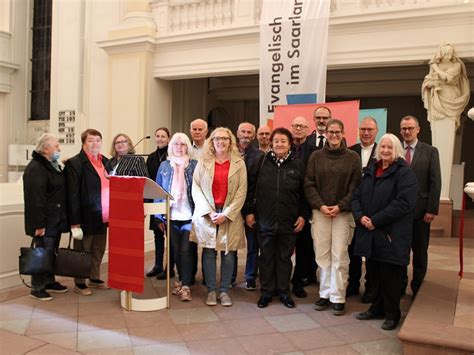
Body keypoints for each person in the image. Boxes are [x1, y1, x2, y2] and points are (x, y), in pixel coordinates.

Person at [353, 133, 418, 330]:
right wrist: (360, 216)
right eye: (383, 147)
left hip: (392, 234)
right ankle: (376, 309)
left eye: (390, 147)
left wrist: (376, 220)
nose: (386, 151)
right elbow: (356, 196)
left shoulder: (404, 173)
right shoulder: (371, 170)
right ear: (378, 150)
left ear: (397, 150)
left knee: (391, 277)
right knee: (375, 274)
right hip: (370, 233)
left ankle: (392, 314)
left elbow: (403, 203)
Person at [244, 127, 307, 309]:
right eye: (276, 141)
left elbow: (304, 194)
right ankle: (266, 292)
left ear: (289, 144)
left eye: (283, 141)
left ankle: (284, 292)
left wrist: (303, 215)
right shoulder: (260, 161)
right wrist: (249, 212)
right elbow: (250, 189)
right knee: (266, 258)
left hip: (289, 222)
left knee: (284, 258)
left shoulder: (298, 165)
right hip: (264, 220)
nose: (279, 144)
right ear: (271, 143)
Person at [304, 119, 361, 316]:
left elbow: (355, 186)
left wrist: (340, 206)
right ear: (325, 133)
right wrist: (320, 205)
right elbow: (309, 184)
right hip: (320, 213)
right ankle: (324, 293)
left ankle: (338, 296)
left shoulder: (353, 157)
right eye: (331, 132)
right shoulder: (315, 157)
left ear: (343, 133)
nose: (334, 135)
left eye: (337, 132)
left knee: (339, 254)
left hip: (342, 214)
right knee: (322, 254)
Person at [191, 127, 247, 307]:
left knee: (228, 253)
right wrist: (208, 211)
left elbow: (242, 191)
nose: (221, 142)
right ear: (212, 142)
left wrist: (227, 213)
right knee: (208, 252)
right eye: (217, 139)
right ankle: (211, 291)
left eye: (225, 138)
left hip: (229, 212)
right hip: (209, 212)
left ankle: (224, 291)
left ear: (230, 141)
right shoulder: (203, 161)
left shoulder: (239, 163)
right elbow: (196, 187)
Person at [23, 133, 69, 301]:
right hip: (44, 222)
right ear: (46, 149)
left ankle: (49, 281)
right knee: (41, 253)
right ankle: (38, 287)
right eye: (56, 146)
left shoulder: (51, 165)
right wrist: (39, 224)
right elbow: (36, 199)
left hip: (54, 220)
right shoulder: (36, 168)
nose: (59, 149)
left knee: (51, 252)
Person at [65, 129, 110, 296]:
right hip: (85, 215)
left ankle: (94, 277)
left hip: (103, 214)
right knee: (83, 249)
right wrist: (75, 220)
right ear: (83, 142)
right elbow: (73, 194)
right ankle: (79, 282)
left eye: (98, 140)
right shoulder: (76, 163)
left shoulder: (106, 161)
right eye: (91, 140)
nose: (95, 143)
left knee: (98, 248)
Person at [400, 115, 441, 298]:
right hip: (398, 213)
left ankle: (417, 287)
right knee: (399, 251)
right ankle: (399, 287)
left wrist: (431, 209)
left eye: (410, 128)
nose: (407, 131)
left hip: (421, 211)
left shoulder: (430, 151)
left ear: (418, 129)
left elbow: (435, 182)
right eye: (404, 128)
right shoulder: (395, 150)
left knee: (419, 251)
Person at [155, 133, 198, 301]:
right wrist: (159, 216)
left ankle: (186, 286)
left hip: (189, 215)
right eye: (176, 144)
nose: (179, 148)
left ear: (187, 147)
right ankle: (180, 280)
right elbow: (158, 191)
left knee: (186, 250)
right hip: (171, 216)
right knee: (176, 251)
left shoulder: (194, 165)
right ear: (171, 147)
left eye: (183, 145)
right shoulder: (164, 166)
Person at [347, 116, 379, 302]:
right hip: (353, 206)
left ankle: (370, 288)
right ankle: (352, 284)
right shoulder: (350, 151)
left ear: (376, 131)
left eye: (370, 129)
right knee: (353, 250)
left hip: (373, 208)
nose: (366, 133)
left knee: (371, 251)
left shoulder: (381, 151)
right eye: (363, 129)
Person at [289, 116, 317, 299]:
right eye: (295, 125)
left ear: (308, 129)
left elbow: (313, 182)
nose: (298, 128)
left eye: (302, 126)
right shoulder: (285, 148)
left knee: (304, 248)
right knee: (284, 248)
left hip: (305, 206)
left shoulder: (314, 152)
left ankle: (299, 281)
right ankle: (282, 281)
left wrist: (304, 212)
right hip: (285, 207)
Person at [236, 122, 263, 291]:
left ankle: (250, 276)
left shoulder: (259, 156)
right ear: (237, 133)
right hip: (229, 207)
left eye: (249, 133)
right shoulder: (228, 152)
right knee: (229, 245)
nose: (245, 135)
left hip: (249, 207)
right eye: (243, 132)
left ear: (253, 136)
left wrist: (249, 211)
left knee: (253, 245)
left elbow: (257, 186)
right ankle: (230, 277)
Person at [146, 127, 175, 279]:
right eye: (157, 136)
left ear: (168, 138)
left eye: (163, 136)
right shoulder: (151, 157)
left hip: (170, 202)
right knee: (157, 234)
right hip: (154, 201)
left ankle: (169, 268)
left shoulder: (172, 156)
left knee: (170, 237)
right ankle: (158, 265)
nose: (160, 139)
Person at [421, 43, 470, 127]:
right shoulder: (435, 65)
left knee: (449, 120)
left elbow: (446, 77)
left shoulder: (456, 65)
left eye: (450, 54)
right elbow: (428, 80)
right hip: (437, 94)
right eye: (446, 54)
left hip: (450, 94)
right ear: (441, 54)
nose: (449, 56)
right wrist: (432, 83)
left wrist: (435, 67)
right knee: (438, 120)